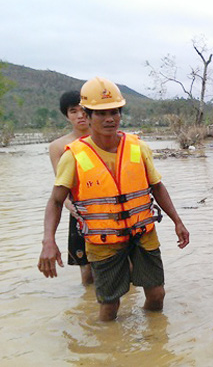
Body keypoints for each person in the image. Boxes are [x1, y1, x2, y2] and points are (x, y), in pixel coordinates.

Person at [38, 77, 190, 321]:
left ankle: (153, 342)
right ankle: (108, 352)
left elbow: (157, 187)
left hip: (142, 232)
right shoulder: (73, 156)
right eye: (101, 113)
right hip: (103, 239)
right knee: (110, 306)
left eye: (114, 112)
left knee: (157, 294)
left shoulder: (138, 147)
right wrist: (48, 241)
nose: (110, 118)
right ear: (87, 117)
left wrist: (178, 221)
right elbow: (56, 201)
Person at [48, 90, 93, 285]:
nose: (80, 115)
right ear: (66, 115)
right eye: (73, 111)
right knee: (87, 270)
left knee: (125, 264)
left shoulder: (107, 138)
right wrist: (68, 205)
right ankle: (90, 308)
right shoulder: (59, 146)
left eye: (83, 110)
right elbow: (61, 183)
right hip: (78, 209)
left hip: (110, 205)